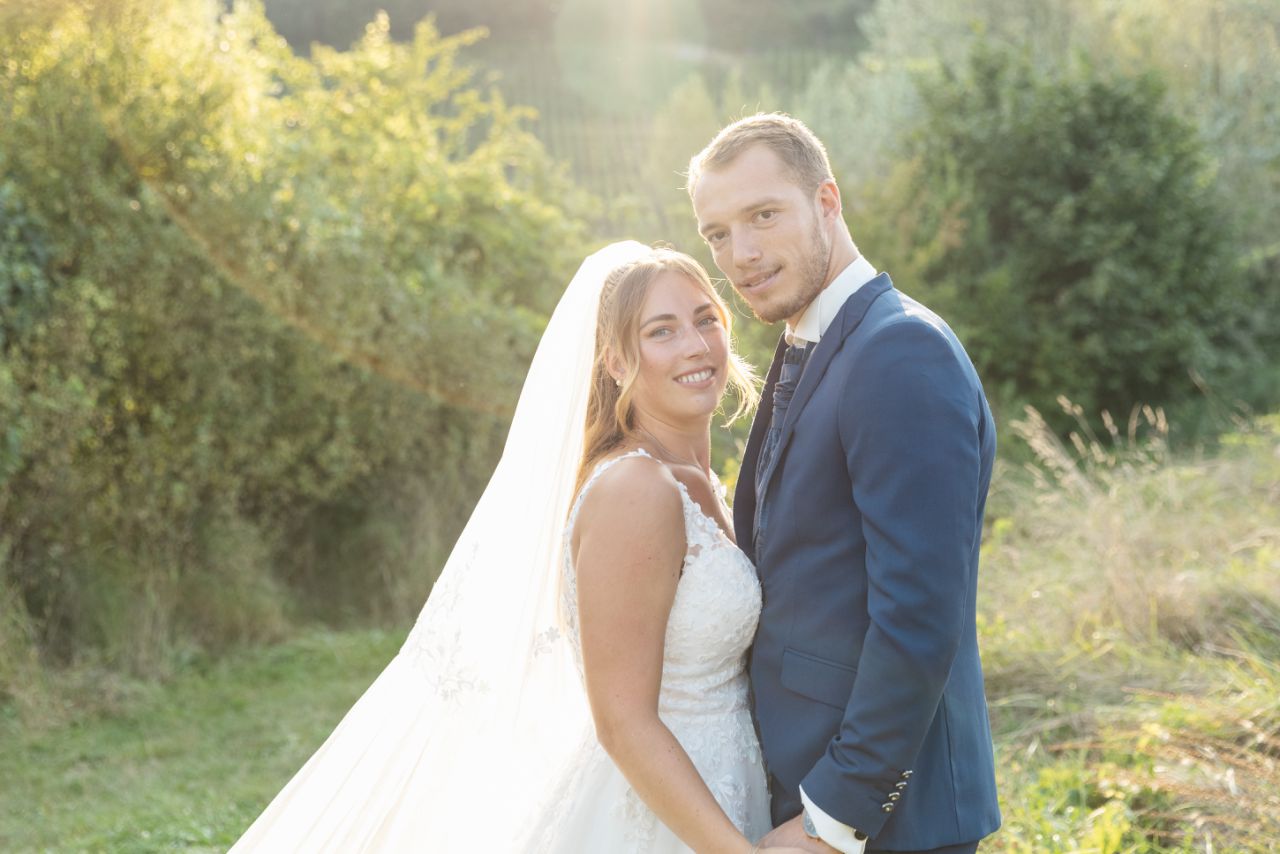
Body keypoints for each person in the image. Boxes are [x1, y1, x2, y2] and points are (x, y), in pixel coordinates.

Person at [231, 243, 804, 853]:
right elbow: (623, 720)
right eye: (661, 331)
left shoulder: (700, 483)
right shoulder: (636, 489)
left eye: (705, 318)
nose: (694, 344)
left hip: (724, 792)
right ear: (614, 359)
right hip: (659, 821)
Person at [688, 114, 1001, 854]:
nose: (743, 254)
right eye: (718, 234)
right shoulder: (816, 339)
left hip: (887, 821)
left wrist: (835, 819)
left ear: (827, 201)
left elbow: (920, 616)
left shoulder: (899, 352)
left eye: (764, 216)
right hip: (803, 790)